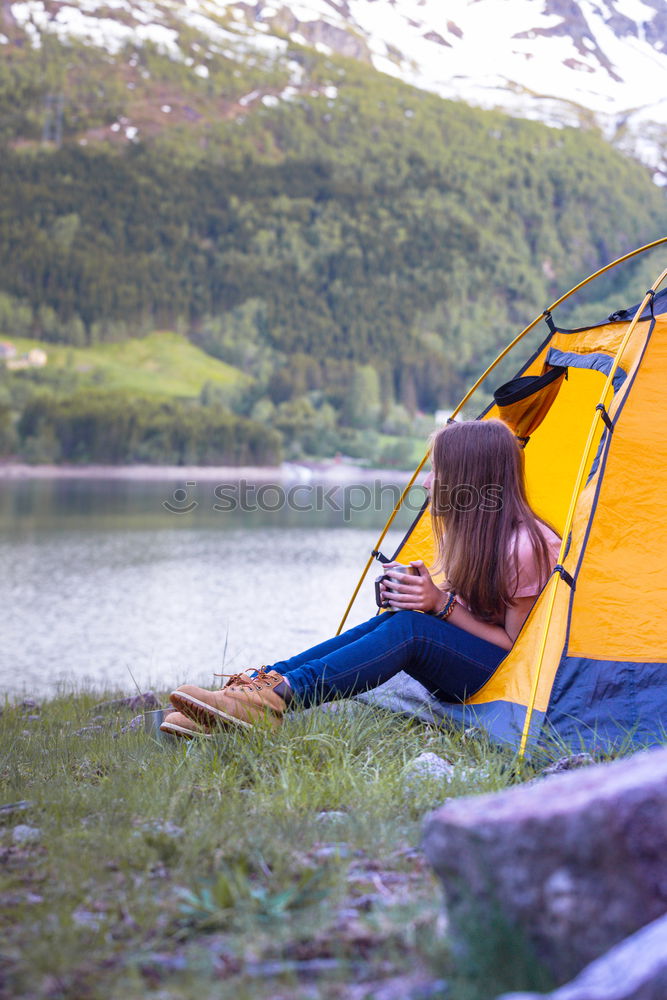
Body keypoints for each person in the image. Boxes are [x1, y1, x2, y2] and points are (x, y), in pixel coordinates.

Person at [161, 419, 561, 739]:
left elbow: (516, 651)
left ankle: (274, 699)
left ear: (468, 479)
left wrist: (441, 605)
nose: (426, 482)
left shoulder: (526, 546)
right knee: (394, 620)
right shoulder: (477, 534)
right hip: (471, 660)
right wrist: (424, 596)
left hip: (501, 680)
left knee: (411, 629)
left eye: (438, 470)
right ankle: (252, 690)